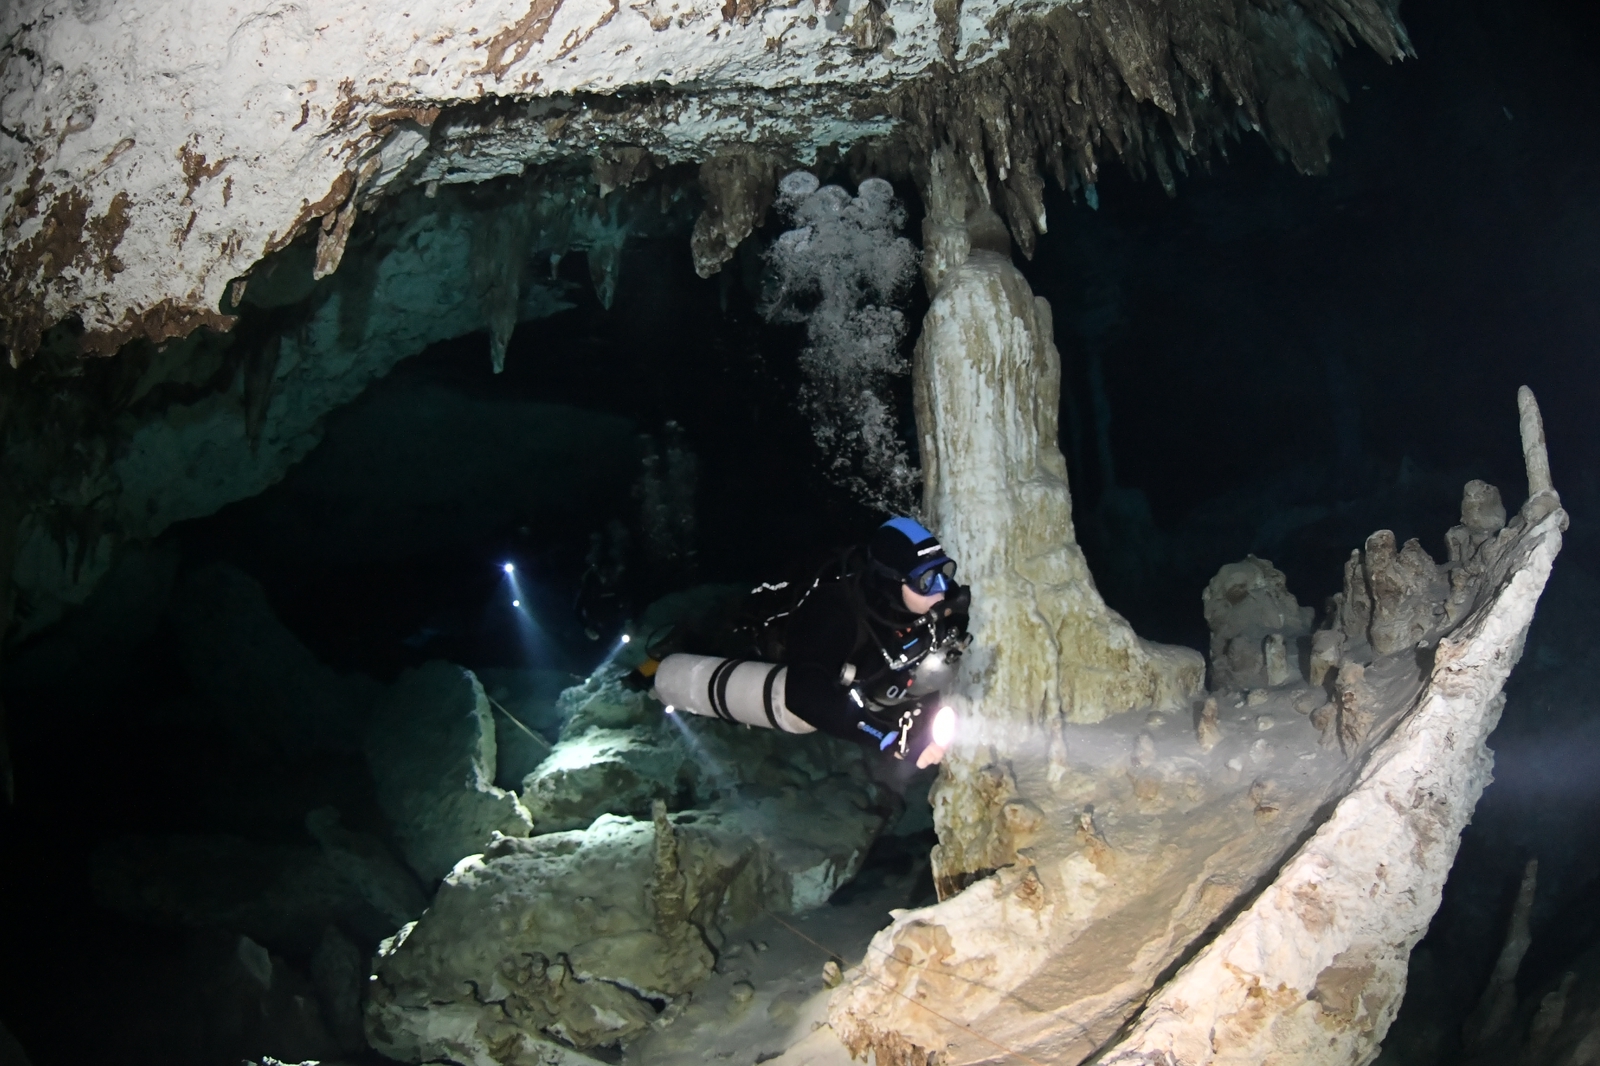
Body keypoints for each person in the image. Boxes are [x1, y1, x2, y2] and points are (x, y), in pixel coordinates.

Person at [782, 517, 970, 770]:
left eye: (944, 571)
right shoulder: (837, 614)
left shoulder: (945, 603)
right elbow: (802, 695)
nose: (941, 589)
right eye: (925, 580)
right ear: (892, 582)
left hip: (884, 687)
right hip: (793, 660)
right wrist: (888, 738)